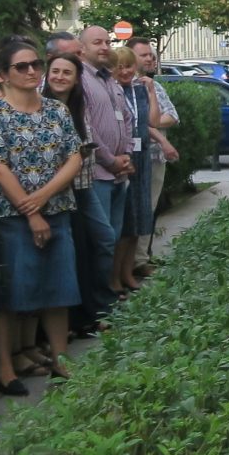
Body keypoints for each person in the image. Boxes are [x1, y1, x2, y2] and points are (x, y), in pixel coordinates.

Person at [0, 39, 82, 393]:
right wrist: (31, 211)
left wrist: (43, 197)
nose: (32, 71)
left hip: (57, 210)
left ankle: (61, 361)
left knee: (59, 288)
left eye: (36, 64)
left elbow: (74, 157)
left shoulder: (56, 110)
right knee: (10, 292)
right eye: (21, 66)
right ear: (1, 75)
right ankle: (5, 368)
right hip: (10, 217)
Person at [71, 27, 135, 328]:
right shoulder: (81, 79)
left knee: (113, 239)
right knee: (102, 240)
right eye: (97, 42)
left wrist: (127, 156)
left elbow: (127, 118)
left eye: (108, 42)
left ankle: (106, 299)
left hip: (119, 174)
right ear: (81, 49)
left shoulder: (109, 78)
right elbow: (87, 128)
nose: (105, 47)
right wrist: (111, 160)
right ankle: (97, 307)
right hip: (98, 173)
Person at [42, 51, 101, 341]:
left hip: (79, 189)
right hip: (51, 195)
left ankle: (84, 318)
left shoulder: (77, 107)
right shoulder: (40, 107)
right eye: (55, 71)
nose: (60, 77)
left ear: (77, 79)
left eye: (67, 72)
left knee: (83, 253)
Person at [128, 42, 181, 270]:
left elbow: (172, 116)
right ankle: (135, 262)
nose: (150, 58)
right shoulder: (125, 86)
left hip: (157, 158)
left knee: (149, 207)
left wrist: (155, 122)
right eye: (144, 55)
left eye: (151, 55)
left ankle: (142, 257)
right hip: (135, 158)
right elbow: (138, 121)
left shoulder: (154, 85)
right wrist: (156, 125)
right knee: (135, 210)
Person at [109, 45, 151, 293]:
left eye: (129, 66)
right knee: (124, 225)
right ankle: (114, 278)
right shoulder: (112, 91)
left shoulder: (140, 90)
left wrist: (152, 91)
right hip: (123, 159)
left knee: (138, 221)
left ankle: (128, 273)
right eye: (120, 67)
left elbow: (152, 121)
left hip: (142, 158)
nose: (125, 71)